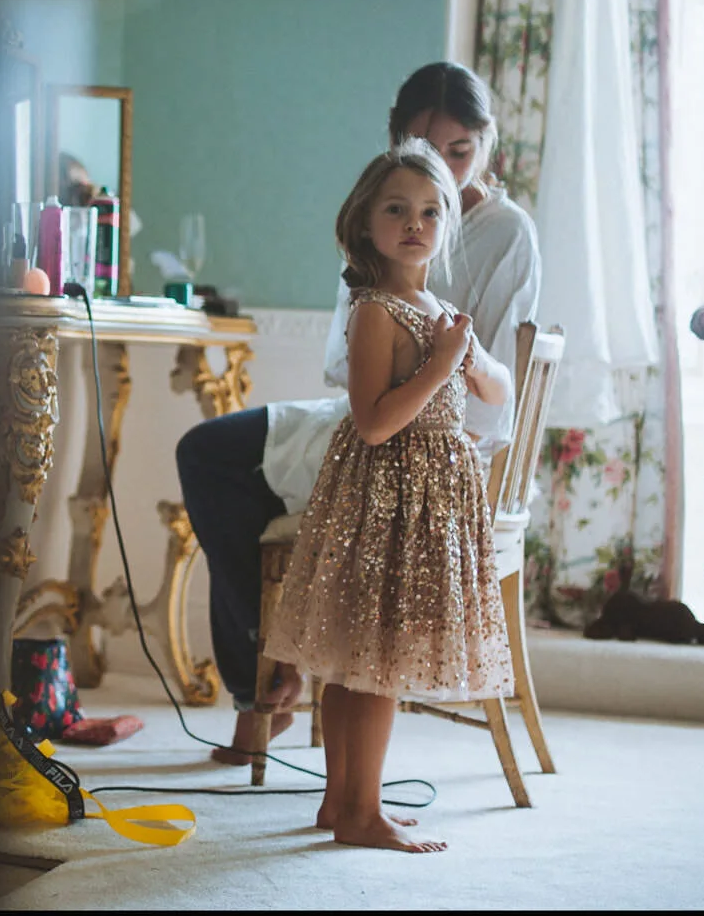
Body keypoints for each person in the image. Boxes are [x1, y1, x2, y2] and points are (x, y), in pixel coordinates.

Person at [175, 61, 541, 765]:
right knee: (212, 457)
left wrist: (456, 367)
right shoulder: (385, 236)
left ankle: (274, 675)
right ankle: (272, 671)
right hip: (380, 421)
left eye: (458, 153)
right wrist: (426, 366)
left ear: (487, 144)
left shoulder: (500, 234)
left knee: (228, 472)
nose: (436, 179)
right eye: (421, 151)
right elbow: (356, 385)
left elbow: (495, 391)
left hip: (445, 444)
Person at [260, 138, 514, 852]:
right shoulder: (375, 309)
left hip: (422, 500)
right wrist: (439, 367)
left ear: (448, 224)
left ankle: (341, 803)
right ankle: (363, 812)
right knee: (374, 666)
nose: (414, 223)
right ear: (365, 222)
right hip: (386, 500)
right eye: (396, 209)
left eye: (431, 211)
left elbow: (499, 389)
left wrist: (470, 357)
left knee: (361, 662)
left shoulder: (437, 307)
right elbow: (373, 422)